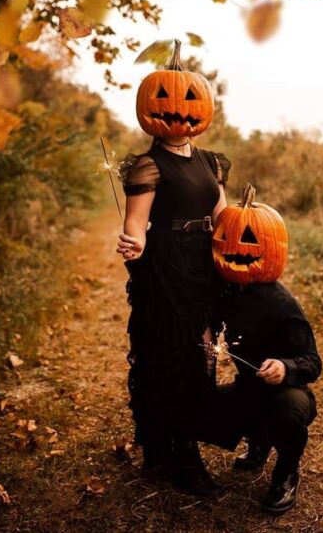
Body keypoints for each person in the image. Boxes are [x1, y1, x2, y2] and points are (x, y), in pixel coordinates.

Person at [116, 135, 231, 496]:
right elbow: (136, 223)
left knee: (204, 356)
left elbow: (223, 219)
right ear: (152, 111)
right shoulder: (148, 166)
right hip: (166, 267)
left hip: (203, 266)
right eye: (168, 104)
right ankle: (178, 454)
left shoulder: (211, 162)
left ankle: (177, 441)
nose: (179, 114)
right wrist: (134, 244)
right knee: (168, 357)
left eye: (189, 105)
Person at [203, 189, 322, 514]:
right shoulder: (225, 290)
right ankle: (258, 440)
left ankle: (286, 473)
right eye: (228, 236)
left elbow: (312, 363)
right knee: (199, 405)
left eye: (250, 238)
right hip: (249, 388)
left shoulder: (282, 305)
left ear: (271, 247)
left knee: (286, 412)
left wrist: (285, 367)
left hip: (287, 393)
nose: (239, 247)